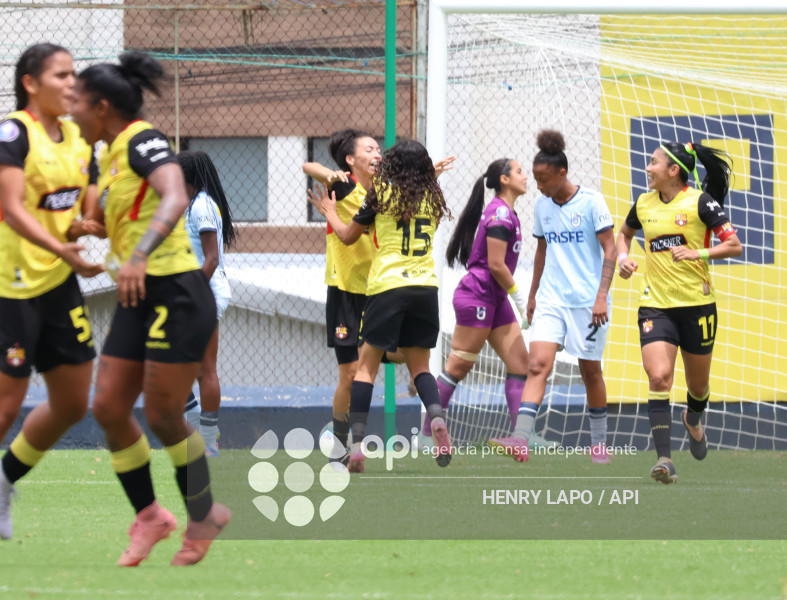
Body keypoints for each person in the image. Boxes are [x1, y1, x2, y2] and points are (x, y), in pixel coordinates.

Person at [70, 50, 230, 565]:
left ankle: (203, 512)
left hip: (178, 293)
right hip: (137, 298)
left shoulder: (142, 138)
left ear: (100, 106)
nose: (69, 109)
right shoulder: (106, 153)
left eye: (75, 101)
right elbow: (111, 216)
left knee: (163, 414)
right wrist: (82, 228)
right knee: (109, 408)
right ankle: (151, 517)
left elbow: (175, 194)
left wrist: (137, 255)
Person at [0, 43, 104, 541]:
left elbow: (84, 212)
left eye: (74, 75)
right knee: (6, 404)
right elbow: (14, 210)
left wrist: (94, 226)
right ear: (30, 83)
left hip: (58, 284)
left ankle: (4, 480)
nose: (71, 84)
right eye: (61, 75)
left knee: (71, 402)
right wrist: (64, 251)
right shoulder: (13, 133)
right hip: (11, 284)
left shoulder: (81, 142)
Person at [303, 131, 454, 464]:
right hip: (417, 288)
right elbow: (308, 165)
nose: (377, 155)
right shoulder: (429, 196)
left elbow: (347, 234)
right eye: (370, 149)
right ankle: (437, 419)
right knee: (419, 367)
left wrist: (329, 212)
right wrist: (432, 174)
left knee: (364, 371)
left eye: (381, 152)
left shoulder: (379, 195)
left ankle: (356, 447)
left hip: (384, 287)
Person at [617, 140, 742, 484]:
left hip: (698, 306)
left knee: (698, 387)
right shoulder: (643, 203)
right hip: (656, 306)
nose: (648, 167)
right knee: (658, 376)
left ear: (673, 170)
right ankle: (664, 459)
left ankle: (693, 417)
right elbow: (624, 235)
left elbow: (734, 244)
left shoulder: (700, 201)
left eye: (653, 162)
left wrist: (696, 255)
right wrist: (622, 259)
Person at [489, 130, 616, 464]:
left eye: (543, 179)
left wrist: (602, 295)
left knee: (591, 372)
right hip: (551, 300)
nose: (538, 186)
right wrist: (532, 294)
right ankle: (520, 439)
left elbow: (610, 248)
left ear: (562, 173)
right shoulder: (543, 205)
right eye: (535, 179)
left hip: (589, 303)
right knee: (537, 365)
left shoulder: (592, 201)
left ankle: (599, 445)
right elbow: (542, 250)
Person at [423, 158, 529, 442]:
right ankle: (425, 434)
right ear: (504, 180)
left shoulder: (508, 213)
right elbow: (496, 265)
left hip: (494, 297)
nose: (525, 176)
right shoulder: (499, 215)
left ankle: (521, 437)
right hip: (478, 295)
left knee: (520, 364)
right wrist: (520, 299)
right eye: (520, 171)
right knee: (458, 366)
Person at [178, 150, 237, 457]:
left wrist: (192, 296)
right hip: (193, 292)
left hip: (205, 292)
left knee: (204, 369)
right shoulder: (190, 204)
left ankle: (208, 440)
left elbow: (211, 259)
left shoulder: (201, 205)